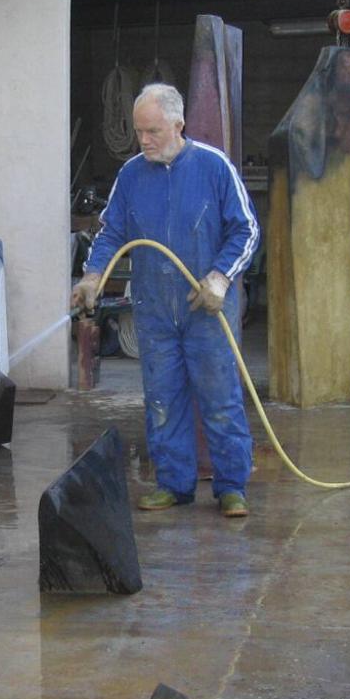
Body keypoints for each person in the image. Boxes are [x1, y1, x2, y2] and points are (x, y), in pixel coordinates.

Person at [71, 84, 258, 518]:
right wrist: (94, 276)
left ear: (178, 125)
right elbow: (111, 232)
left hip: (206, 308)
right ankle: (174, 484)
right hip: (154, 308)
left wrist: (220, 278)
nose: (144, 140)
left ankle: (232, 487)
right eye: (139, 131)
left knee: (220, 398)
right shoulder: (131, 175)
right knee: (162, 398)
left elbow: (246, 230)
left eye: (153, 131)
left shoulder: (214, 167)